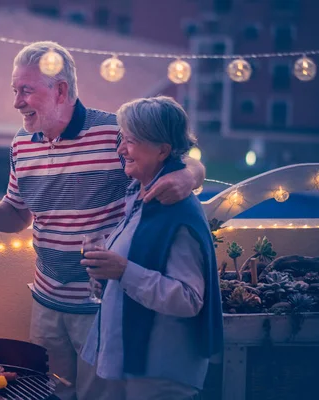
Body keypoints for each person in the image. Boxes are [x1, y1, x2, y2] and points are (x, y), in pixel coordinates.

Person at [0, 41, 206, 400]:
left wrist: (190, 175)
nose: (16, 102)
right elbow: (15, 216)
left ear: (61, 90)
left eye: (26, 91)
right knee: (47, 394)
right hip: (46, 303)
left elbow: (173, 156)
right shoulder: (21, 145)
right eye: (14, 90)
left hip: (101, 308)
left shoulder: (115, 133)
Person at [80, 96, 223, 399]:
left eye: (130, 141)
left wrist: (122, 271)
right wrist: (108, 276)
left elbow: (188, 299)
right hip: (133, 362)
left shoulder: (177, 210)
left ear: (163, 150)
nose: (120, 150)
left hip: (160, 372)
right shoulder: (141, 194)